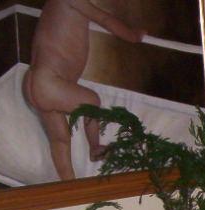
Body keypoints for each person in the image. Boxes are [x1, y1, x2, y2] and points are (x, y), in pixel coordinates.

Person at [22, 0, 145, 181]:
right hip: (49, 83)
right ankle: (94, 147)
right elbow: (104, 19)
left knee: (60, 139)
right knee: (91, 101)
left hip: (35, 82)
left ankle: (69, 183)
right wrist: (132, 35)